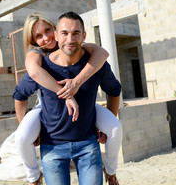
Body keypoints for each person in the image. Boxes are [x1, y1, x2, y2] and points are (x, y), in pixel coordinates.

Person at [14, 12, 122, 185]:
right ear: (58, 34)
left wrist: (77, 83)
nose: (47, 38)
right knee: (22, 136)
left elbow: (103, 57)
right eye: (39, 36)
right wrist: (31, 131)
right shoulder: (39, 62)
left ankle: (111, 172)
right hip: (52, 143)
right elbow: (21, 93)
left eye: (48, 31)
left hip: (87, 143)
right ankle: (34, 178)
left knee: (115, 127)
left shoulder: (91, 58)